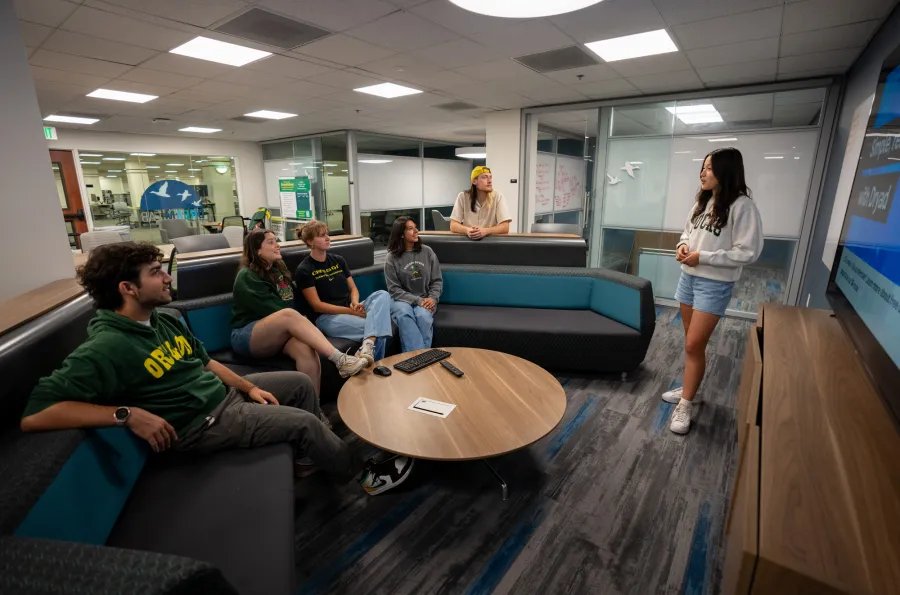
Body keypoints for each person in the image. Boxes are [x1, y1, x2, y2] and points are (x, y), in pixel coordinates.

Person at [19, 242, 413, 494]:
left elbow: (205, 362)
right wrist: (126, 414)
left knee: (298, 383)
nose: (166, 277)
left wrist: (247, 385)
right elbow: (36, 414)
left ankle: (309, 459)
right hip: (201, 425)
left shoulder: (164, 318)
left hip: (223, 397)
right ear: (128, 288)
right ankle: (363, 476)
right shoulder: (106, 346)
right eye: (155, 272)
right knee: (305, 422)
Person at [664, 147, 763, 435]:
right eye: (703, 167)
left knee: (694, 344)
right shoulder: (702, 201)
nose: (702, 173)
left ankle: (686, 403)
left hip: (714, 283)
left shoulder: (743, 206)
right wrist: (682, 246)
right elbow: (687, 233)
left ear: (725, 171)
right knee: (691, 343)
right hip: (689, 278)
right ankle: (689, 388)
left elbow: (748, 251)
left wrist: (704, 257)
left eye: (709, 168)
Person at [231, 229, 368, 397]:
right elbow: (276, 311)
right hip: (249, 334)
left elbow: (295, 301)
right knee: (288, 315)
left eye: (276, 241)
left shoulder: (277, 271)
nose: (277, 245)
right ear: (257, 250)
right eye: (271, 242)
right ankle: (341, 360)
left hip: (280, 333)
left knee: (307, 351)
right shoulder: (247, 276)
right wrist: (304, 321)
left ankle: (314, 410)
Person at [295, 220, 393, 364]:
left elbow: (353, 288)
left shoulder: (338, 260)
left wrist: (354, 303)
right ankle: (374, 364)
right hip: (327, 318)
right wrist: (351, 312)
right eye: (322, 236)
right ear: (310, 241)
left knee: (382, 295)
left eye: (327, 234)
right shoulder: (304, 269)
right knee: (378, 328)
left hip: (349, 307)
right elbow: (317, 306)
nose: (327, 238)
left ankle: (367, 347)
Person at [385, 217, 443, 352]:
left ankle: (417, 359)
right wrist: (417, 300)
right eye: (411, 228)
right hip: (401, 301)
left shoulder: (427, 252)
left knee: (422, 316)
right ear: (401, 234)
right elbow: (393, 289)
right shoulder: (391, 258)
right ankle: (421, 357)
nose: (416, 231)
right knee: (404, 314)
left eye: (415, 227)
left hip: (426, 298)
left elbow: (437, 281)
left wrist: (432, 298)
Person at [449, 166, 512, 240]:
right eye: (485, 177)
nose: (489, 181)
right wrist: (467, 230)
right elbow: (453, 225)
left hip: (490, 243)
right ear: (474, 181)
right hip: (468, 242)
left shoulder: (498, 196)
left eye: (490, 177)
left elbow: (505, 227)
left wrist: (485, 231)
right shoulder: (463, 197)